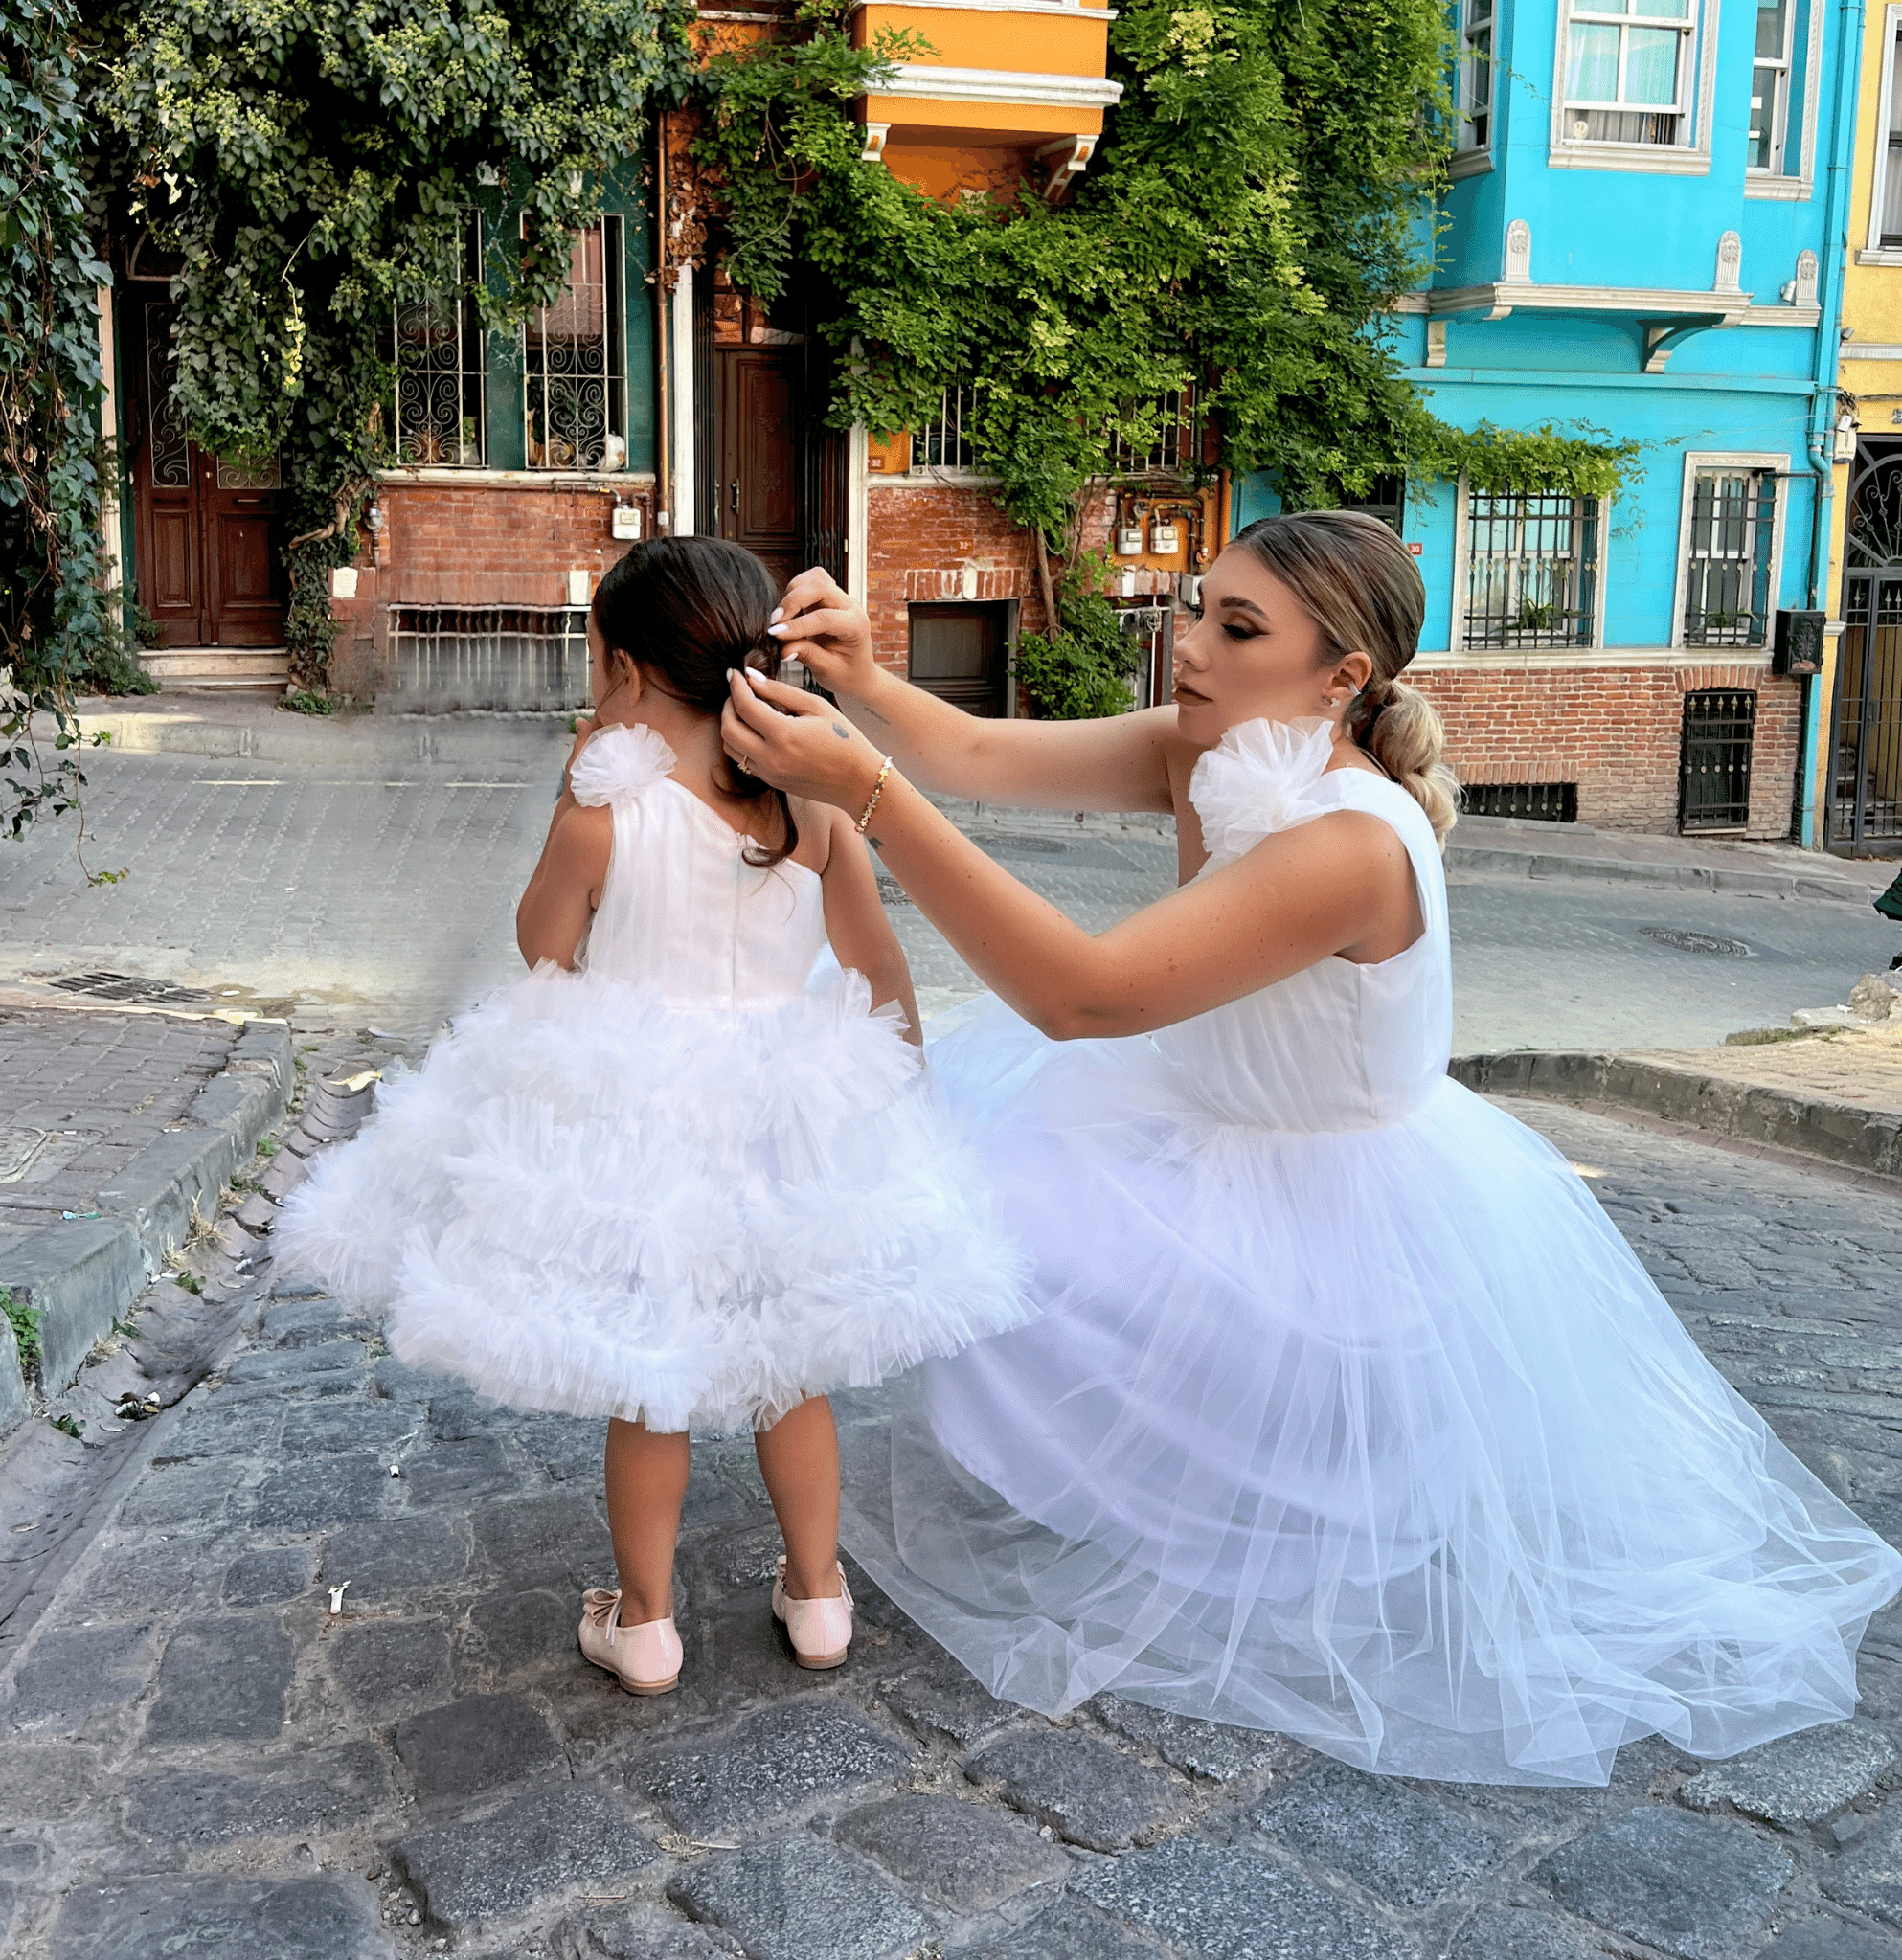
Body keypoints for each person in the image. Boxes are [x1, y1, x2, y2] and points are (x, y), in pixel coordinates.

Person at [720, 510, 1902, 1787]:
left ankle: (1248, 1489)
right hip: (1188, 1112)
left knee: (1003, 1245)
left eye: (1238, 628)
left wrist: (870, 797)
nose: (1192, 644)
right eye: (1196, 607)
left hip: (1330, 1196)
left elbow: (1081, 997)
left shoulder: (1348, 839)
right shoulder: (1206, 742)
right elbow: (976, 751)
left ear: (1342, 676)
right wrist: (865, 678)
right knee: (930, 1184)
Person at [278, 537, 1030, 1697]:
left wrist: (579, 774)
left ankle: (642, 1622)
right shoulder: (811, 806)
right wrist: (900, 1096)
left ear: (622, 669)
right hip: (785, 1104)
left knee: (650, 1371)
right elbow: (875, 965)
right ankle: (819, 1597)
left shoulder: (607, 809)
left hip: (636, 1118)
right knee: (793, 1362)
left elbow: (545, 944)